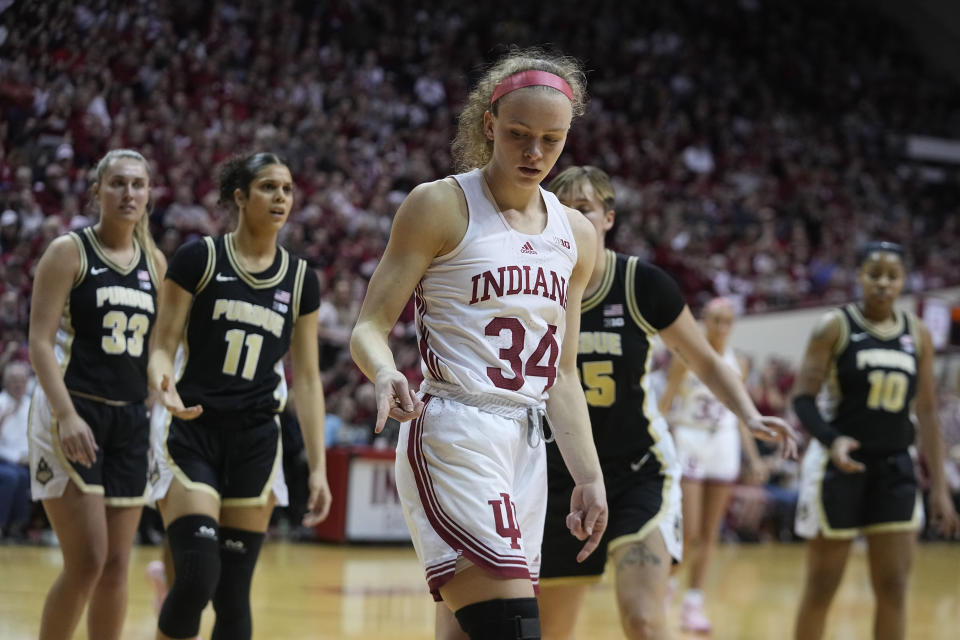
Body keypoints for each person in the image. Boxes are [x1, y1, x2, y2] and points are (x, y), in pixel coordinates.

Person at [441, 165, 793, 640]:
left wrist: (749, 415)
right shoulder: (525, 283)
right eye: (559, 208)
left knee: (644, 620)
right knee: (551, 631)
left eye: (582, 208)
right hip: (557, 479)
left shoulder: (641, 284)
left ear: (607, 218)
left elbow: (705, 361)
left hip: (635, 471)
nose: (569, 217)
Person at [350, 48, 608, 640]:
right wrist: (386, 373)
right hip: (455, 431)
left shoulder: (578, 235)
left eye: (552, 139)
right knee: (513, 629)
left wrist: (588, 476)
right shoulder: (439, 204)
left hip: (528, 443)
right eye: (519, 134)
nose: (535, 153)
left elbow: (562, 374)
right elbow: (369, 326)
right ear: (488, 124)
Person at [147, 152, 332, 640]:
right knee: (194, 578)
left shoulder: (299, 280)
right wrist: (162, 384)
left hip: (255, 438)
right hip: (192, 426)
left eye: (288, 189)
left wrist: (317, 468)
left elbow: (308, 381)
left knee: (233, 599)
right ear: (240, 196)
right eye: (268, 187)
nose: (280, 198)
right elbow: (162, 347)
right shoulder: (198, 259)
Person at [27, 148, 164, 640]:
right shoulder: (69, 251)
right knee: (87, 561)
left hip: (129, 421)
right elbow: (38, 341)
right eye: (118, 184)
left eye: (138, 185)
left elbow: (154, 351)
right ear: (97, 192)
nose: (129, 193)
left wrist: (162, 388)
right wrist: (65, 416)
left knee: (116, 566)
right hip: (73, 410)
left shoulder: (154, 262)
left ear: (149, 195)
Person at [793, 241, 960, 640]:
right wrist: (831, 440)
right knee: (821, 587)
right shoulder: (834, 325)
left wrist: (939, 488)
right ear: (860, 277)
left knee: (894, 588)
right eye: (875, 274)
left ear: (904, 281)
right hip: (839, 467)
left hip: (895, 469)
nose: (883, 283)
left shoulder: (917, 334)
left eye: (892, 276)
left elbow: (926, 412)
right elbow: (802, 398)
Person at [658, 297, 767, 633]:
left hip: (723, 442)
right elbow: (664, 406)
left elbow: (739, 412)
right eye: (715, 320)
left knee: (710, 533)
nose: (721, 327)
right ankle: (666, 588)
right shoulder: (684, 357)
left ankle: (693, 604)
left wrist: (754, 457)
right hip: (689, 439)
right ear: (704, 320)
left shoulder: (740, 363)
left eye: (726, 321)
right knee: (689, 533)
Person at [0, 361, 33, 538]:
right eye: (14, 380)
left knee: (24, 475)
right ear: (6, 382)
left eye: (22, 380)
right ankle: (4, 524)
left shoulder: (31, 405)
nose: (18, 384)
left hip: (28, 461)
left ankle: (20, 526)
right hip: (5, 460)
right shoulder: (1, 403)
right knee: (14, 476)